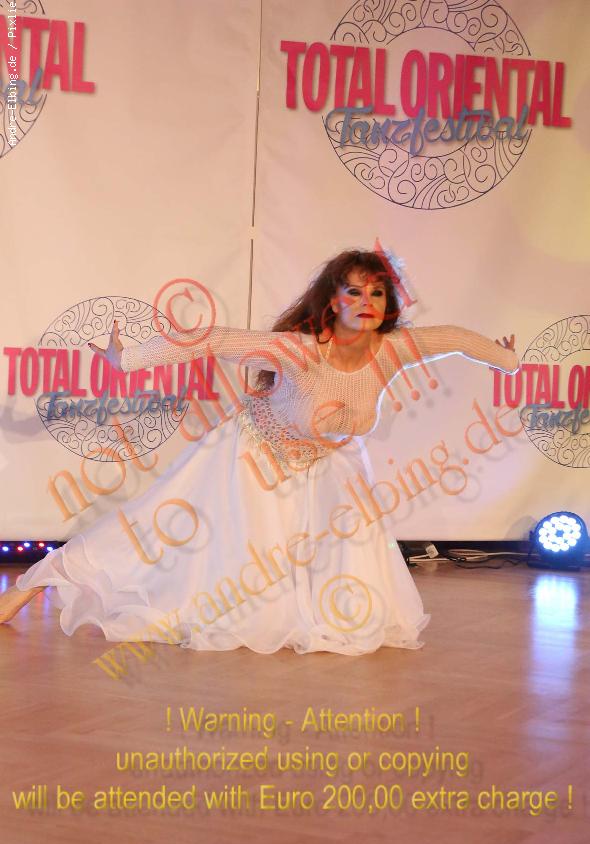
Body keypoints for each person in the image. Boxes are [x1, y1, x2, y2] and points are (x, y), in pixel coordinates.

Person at [0, 249, 518, 654]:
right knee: (158, 531)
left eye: (377, 292)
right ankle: (38, 580)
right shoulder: (298, 349)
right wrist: (125, 360)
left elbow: (456, 339)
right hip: (255, 452)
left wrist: (506, 361)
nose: (367, 301)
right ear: (332, 301)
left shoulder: (395, 349)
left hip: (328, 461)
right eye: (354, 290)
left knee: (349, 535)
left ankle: (334, 613)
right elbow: (211, 340)